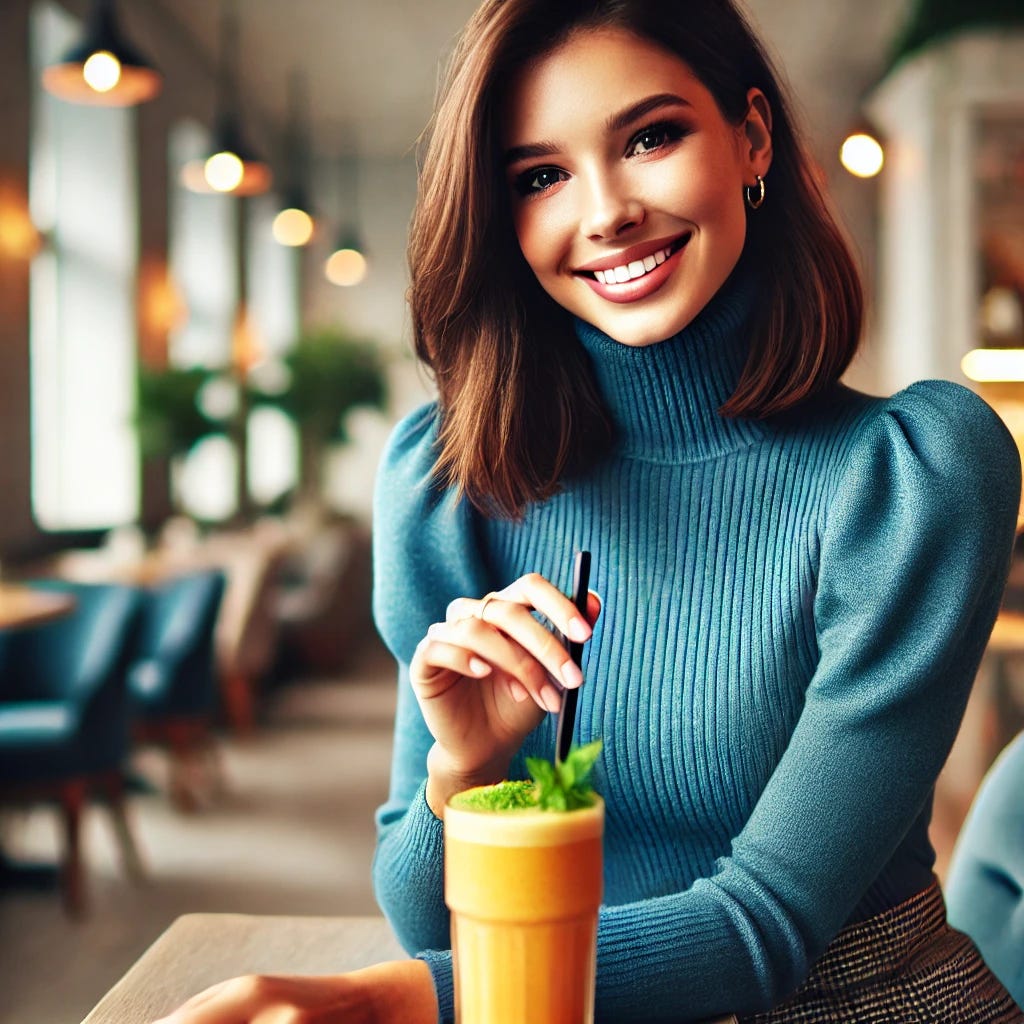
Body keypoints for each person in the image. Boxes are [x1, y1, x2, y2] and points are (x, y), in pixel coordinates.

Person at [154, 0, 1024, 1021]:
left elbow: (766, 927)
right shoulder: (450, 479)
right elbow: (428, 923)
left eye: (650, 137)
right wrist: (464, 767)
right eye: (540, 176)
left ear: (750, 138)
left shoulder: (908, 474)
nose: (604, 211)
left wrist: (392, 1003)